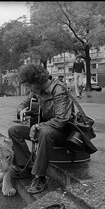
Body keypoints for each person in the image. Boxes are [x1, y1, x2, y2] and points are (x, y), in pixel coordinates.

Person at [8, 63, 75, 194]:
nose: (28, 89)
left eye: (29, 85)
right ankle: (25, 166)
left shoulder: (58, 89)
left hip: (63, 132)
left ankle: (40, 177)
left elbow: (62, 120)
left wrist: (38, 126)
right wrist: (21, 110)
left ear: (38, 81)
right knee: (14, 130)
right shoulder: (36, 90)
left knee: (44, 132)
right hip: (45, 129)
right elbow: (23, 103)